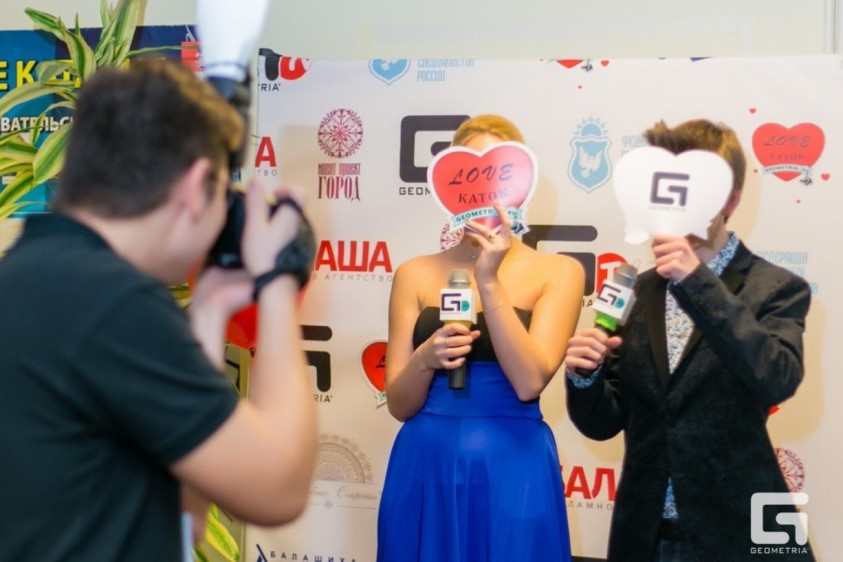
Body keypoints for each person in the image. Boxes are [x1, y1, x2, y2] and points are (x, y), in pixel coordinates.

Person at [0, 58, 318, 561]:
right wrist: (278, 280)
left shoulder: (34, 275)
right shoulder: (111, 302)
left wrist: (209, 312)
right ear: (194, 188)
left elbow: (184, 519)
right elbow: (280, 490)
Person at [564, 118, 814, 562]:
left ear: (731, 198)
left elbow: (776, 378)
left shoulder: (775, 288)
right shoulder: (636, 290)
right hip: (645, 534)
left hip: (739, 533)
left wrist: (697, 281)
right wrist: (585, 377)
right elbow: (604, 423)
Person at [377, 114, 585, 562]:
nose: (482, 187)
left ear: (521, 183)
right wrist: (424, 359)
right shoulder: (414, 272)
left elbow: (530, 381)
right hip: (424, 461)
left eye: (497, 171)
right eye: (467, 172)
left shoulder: (559, 272)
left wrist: (488, 281)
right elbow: (398, 404)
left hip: (514, 463)